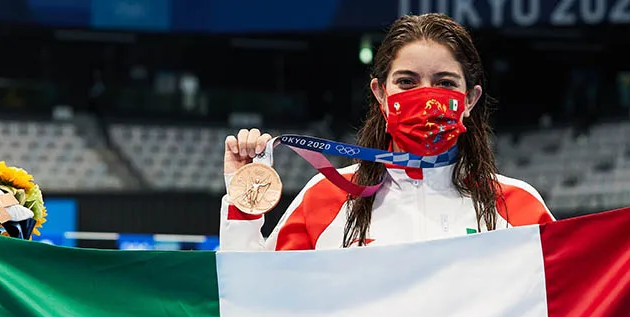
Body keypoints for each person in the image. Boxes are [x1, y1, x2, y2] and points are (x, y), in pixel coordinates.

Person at [220, 13, 554, 252]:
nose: (426, 97)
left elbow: (569, 312)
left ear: (469, 100)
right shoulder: (326, 198)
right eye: (407, 82)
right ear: (381, 94)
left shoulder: (519, 207)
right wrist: (244, 202)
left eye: (445, 83)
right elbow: (252, 304)